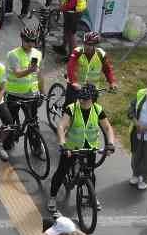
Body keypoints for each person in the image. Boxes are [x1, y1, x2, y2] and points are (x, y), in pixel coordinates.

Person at [48, 84, 115, 216]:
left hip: (90, 147)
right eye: (81, 98)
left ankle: (91, 196)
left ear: (93, 100)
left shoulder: (97, 109)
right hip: (72, 147)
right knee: (61, 171)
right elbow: (61, 126)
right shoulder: (71, 109)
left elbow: (107, 128)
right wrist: (63, 143)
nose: (82, 101)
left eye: (86, 99)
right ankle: (52, 197)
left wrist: (110, 144)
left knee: (90, 173)